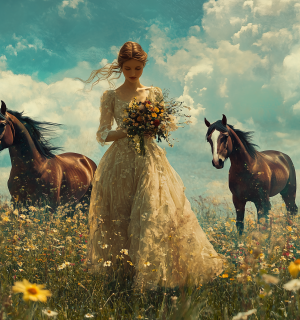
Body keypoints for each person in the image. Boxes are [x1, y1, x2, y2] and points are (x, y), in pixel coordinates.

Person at [80, 41, 224, 291]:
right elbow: (102, 134)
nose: (133, 73)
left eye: (138, 68)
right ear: (120, 67)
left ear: (143, 66)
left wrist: (155, 125)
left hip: (149, 160)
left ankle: (154, 278)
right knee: (120, 216)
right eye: (128, 69)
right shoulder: (111, 96)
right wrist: (128, 129)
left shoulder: (153, 93)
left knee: (153, 213)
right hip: (120, 163)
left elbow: (167, 125)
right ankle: (123, 275)